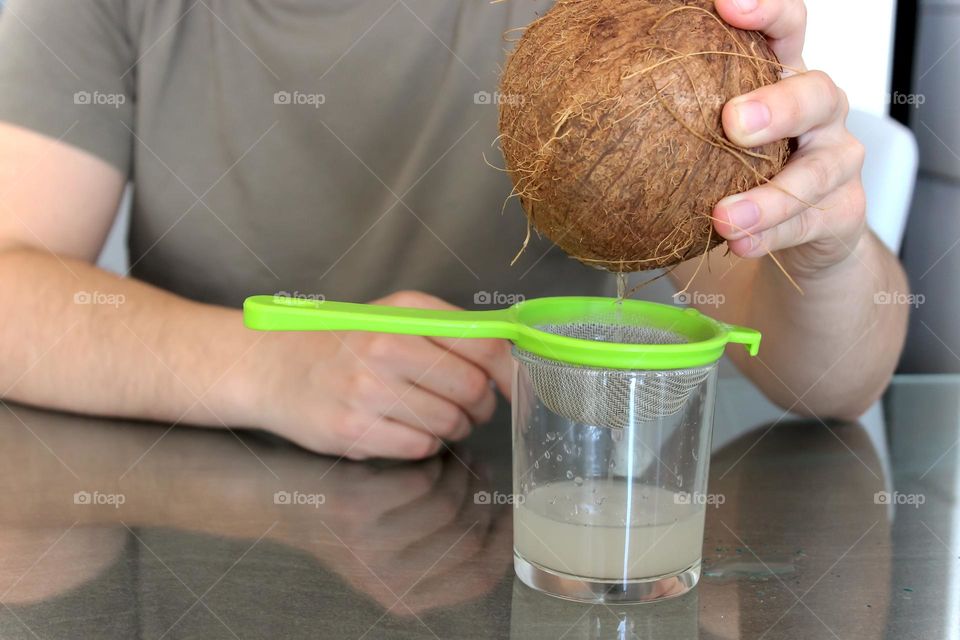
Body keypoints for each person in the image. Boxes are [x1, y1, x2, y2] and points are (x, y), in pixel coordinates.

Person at [0, 0, 909, 460]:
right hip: (201, 491)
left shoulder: (612, 18)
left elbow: (828, 384)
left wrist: (823, 250)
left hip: (540, 509)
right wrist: (265, 368)